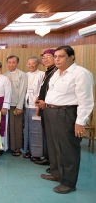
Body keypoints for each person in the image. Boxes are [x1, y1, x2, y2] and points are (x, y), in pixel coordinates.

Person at [40, 45, 94, 194]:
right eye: (55, 56)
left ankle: (68, 183)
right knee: (53, 146)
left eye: (61, 56)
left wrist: (80, 121)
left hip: (67, 114)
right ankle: (56, 173)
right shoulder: (56, 73)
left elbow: (86, 100)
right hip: (50, 112)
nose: (57, 59)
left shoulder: (81, 74)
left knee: (68, 149)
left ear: (71, 57)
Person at [35, 49, 58, 168]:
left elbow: (55, 93)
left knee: (53, 137)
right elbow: (44, 89)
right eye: (44, 58)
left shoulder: (57, 72)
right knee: (47, 135)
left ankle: (54, 163)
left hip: (53, 109)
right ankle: (49, 159)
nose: (46, 59)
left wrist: (45, 102)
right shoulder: (48, 72)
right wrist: (39, 99)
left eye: (49, 56)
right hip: (45, 108)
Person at [4, 55, 27, 156]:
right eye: (9, 62)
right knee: (8, 126)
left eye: (13, 62)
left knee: (17, 127)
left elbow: (23, 91)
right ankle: (8, 145)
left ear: (17, 63)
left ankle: (17, 147)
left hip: (16, 104)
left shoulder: (22, 75)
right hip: (6, 104)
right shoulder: (4, 75)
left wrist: (19, 106)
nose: (11, 64)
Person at [23, 56, 45, 161]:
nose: (31, 65)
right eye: (29, 64)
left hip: (36, 106)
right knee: (27, 129)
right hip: (26, 106)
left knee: (36, 130)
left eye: (33, 63)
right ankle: (28, 150)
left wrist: (38, 105)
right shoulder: (25, 75)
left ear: (37, 64)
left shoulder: (42, 74)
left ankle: (36, 153)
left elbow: (43, 90)